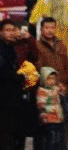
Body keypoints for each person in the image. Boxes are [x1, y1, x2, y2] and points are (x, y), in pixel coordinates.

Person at [0, 19, 28, 150]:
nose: (10, 33)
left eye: (12, 30)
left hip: (15, 97)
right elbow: (3, 70)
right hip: (4, 99)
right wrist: (20, 77)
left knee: (17, 133)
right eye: (7, 30)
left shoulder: (12, 47)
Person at [36, 18, 68, 95]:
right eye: (47, 28)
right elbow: (39, 68)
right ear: (41, 30)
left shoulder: (61, 44)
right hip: (47, 89)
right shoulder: (37, 46)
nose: (50, 30)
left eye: (52, 28)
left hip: (64, 87)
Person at [36, 67, 67, 150]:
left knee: (59, 138)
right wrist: (43, 113)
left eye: (53, 79)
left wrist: (61, 87)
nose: (51, 81)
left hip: (58, 117)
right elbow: (41, 103)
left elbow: (63, 92)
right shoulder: (42, 90)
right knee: (51, 139)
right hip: (49, 118)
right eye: (49, 79)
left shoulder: (55, 88)